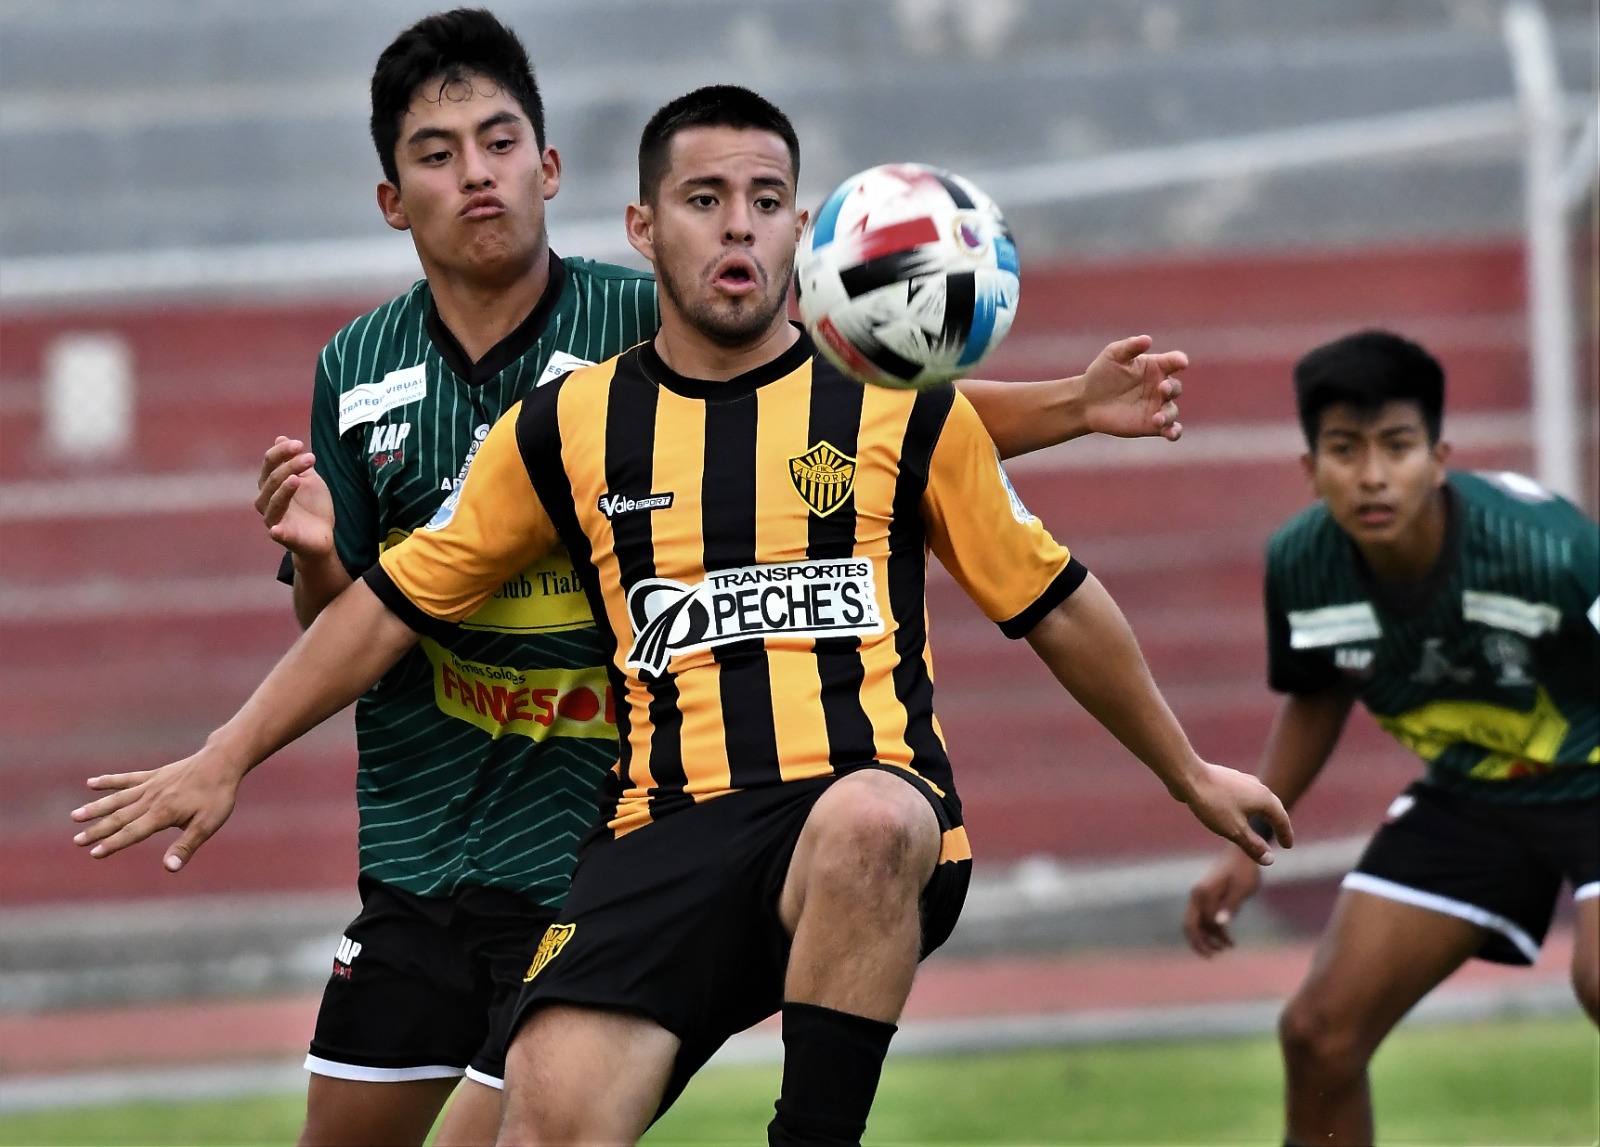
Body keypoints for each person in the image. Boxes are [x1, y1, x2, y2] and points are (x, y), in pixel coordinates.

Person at [74, 82, 1289, 1146]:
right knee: (539, 1122)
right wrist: (226, 753)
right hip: (661, 835)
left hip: (862, 810)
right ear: (645, 229)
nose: (740, 226)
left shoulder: (903, 409)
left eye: (767, 199)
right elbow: (391, 602)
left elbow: (1058, 604)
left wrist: (1187, 775)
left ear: (803, 229)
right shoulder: (568, 427)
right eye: (705, 200)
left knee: (868, 818)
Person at [1182, 330, 1599, 1147]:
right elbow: (1320, 692)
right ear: (1310, 467)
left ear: (1439, 456)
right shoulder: (1303, 563)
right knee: (1319, 1031)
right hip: (1477, 793)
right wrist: (1248, 841)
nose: (1372, 475)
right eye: (1344, 449)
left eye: (1397, 447)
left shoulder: (1549, 551)